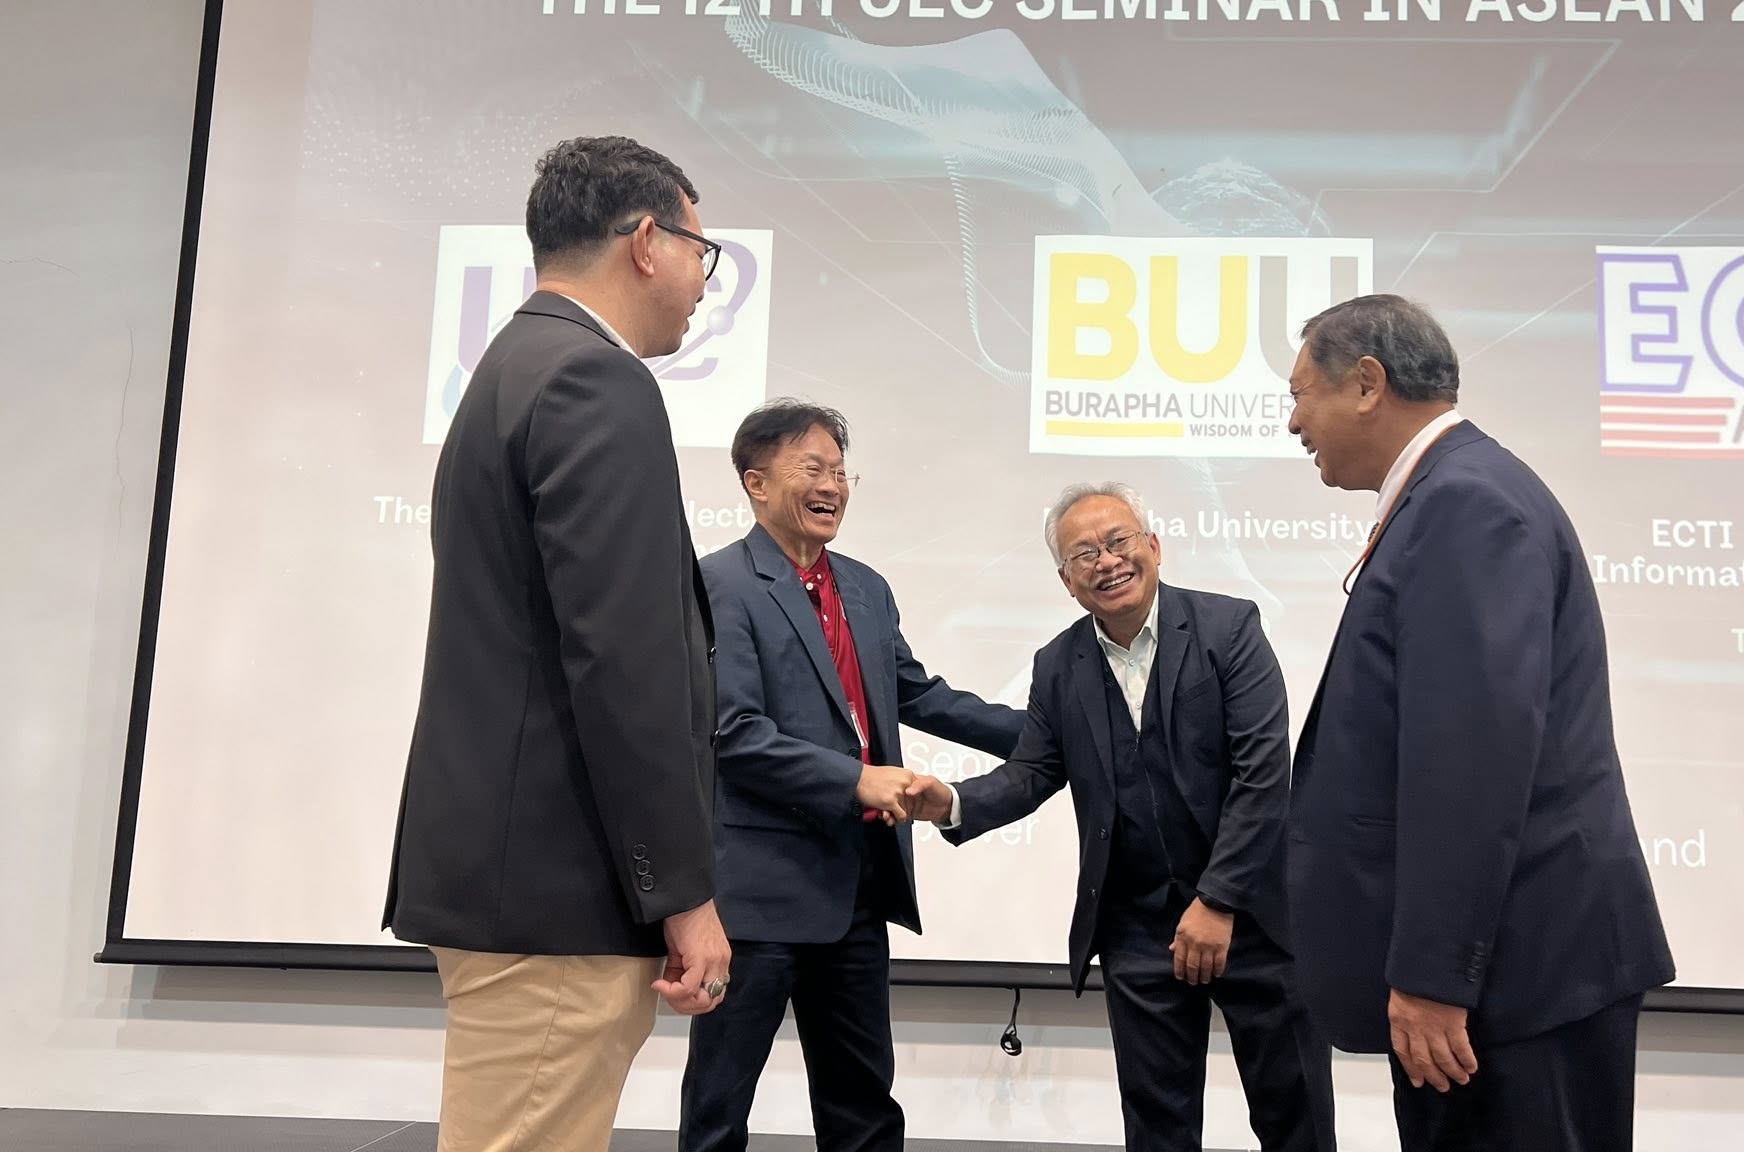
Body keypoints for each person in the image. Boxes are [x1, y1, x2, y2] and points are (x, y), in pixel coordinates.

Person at [381, 135, 732, 1152]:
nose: (703, 283)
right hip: (559, 893)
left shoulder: (513, 366)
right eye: (701, 253)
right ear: (645, 243)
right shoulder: (594, 380)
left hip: (516, 884)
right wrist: (682, 893)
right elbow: (623, 665)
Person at [1281, 294, 1676, 1150]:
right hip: (1511, 974)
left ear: (1367, 384)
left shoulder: (1464, 504)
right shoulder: (1456, 492)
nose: (1293, 423)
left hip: (1514, 980)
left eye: (1300, 394)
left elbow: (1470, 763)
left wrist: (1434, 975)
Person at [915, 482, 1337, 1152]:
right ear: (1067, 581)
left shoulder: (1229, 628)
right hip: (1137, 931)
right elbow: (1034, 770)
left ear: (1154, 546)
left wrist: (1217, 900)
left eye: (1119, 541)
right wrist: (953, 802)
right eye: (1084, 554)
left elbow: (1262, 773)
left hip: (1253, 918)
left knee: (1296, 1121)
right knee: (1156, 1130)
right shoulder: (1059, 663)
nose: (1107, 562)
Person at [682, 399, 1024, 1152]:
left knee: (863, 1109)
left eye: (841, 471)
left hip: (857, 892)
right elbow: (733, 732)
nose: (832, 485)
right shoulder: (719, 584)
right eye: (813, 468)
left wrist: (1048, 732)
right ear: (756, 482)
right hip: (759, 900)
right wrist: (855, 780)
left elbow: (919, 694)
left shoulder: (865, 588)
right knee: (719, 1109)